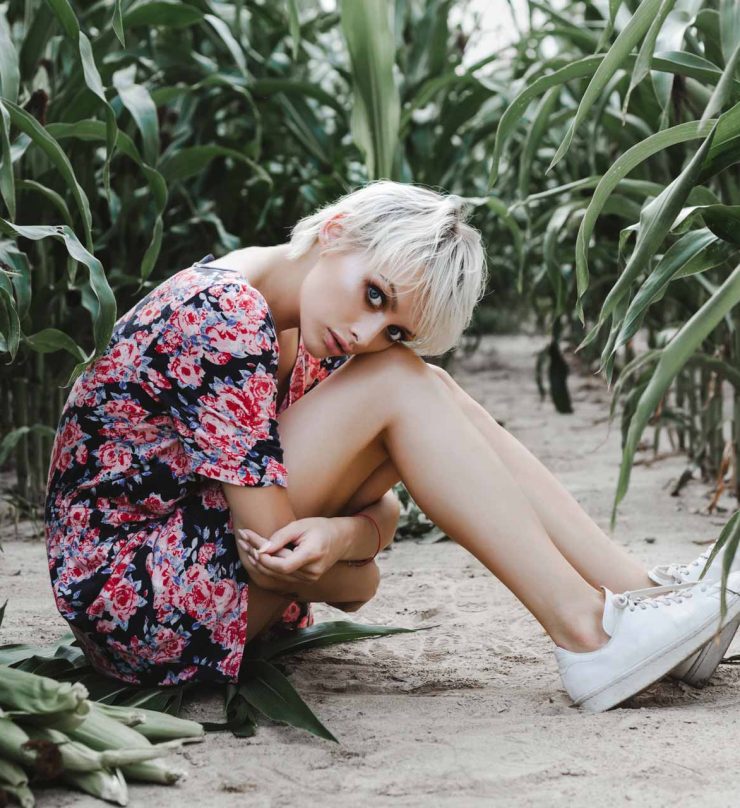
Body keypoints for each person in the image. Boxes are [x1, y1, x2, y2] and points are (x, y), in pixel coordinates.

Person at [44, 180, 740, 711]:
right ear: (337, 228)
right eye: (375, 294)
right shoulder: (225, 311)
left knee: (423, 382)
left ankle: (638, 595)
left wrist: (347, 542)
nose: (366, 334)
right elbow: (288, 555)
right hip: (135, 605)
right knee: (406, 384)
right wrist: (353, 558)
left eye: (393, 328)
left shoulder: (308, 333)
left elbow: (375, 533)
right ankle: (589, 631)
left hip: (199, 578)